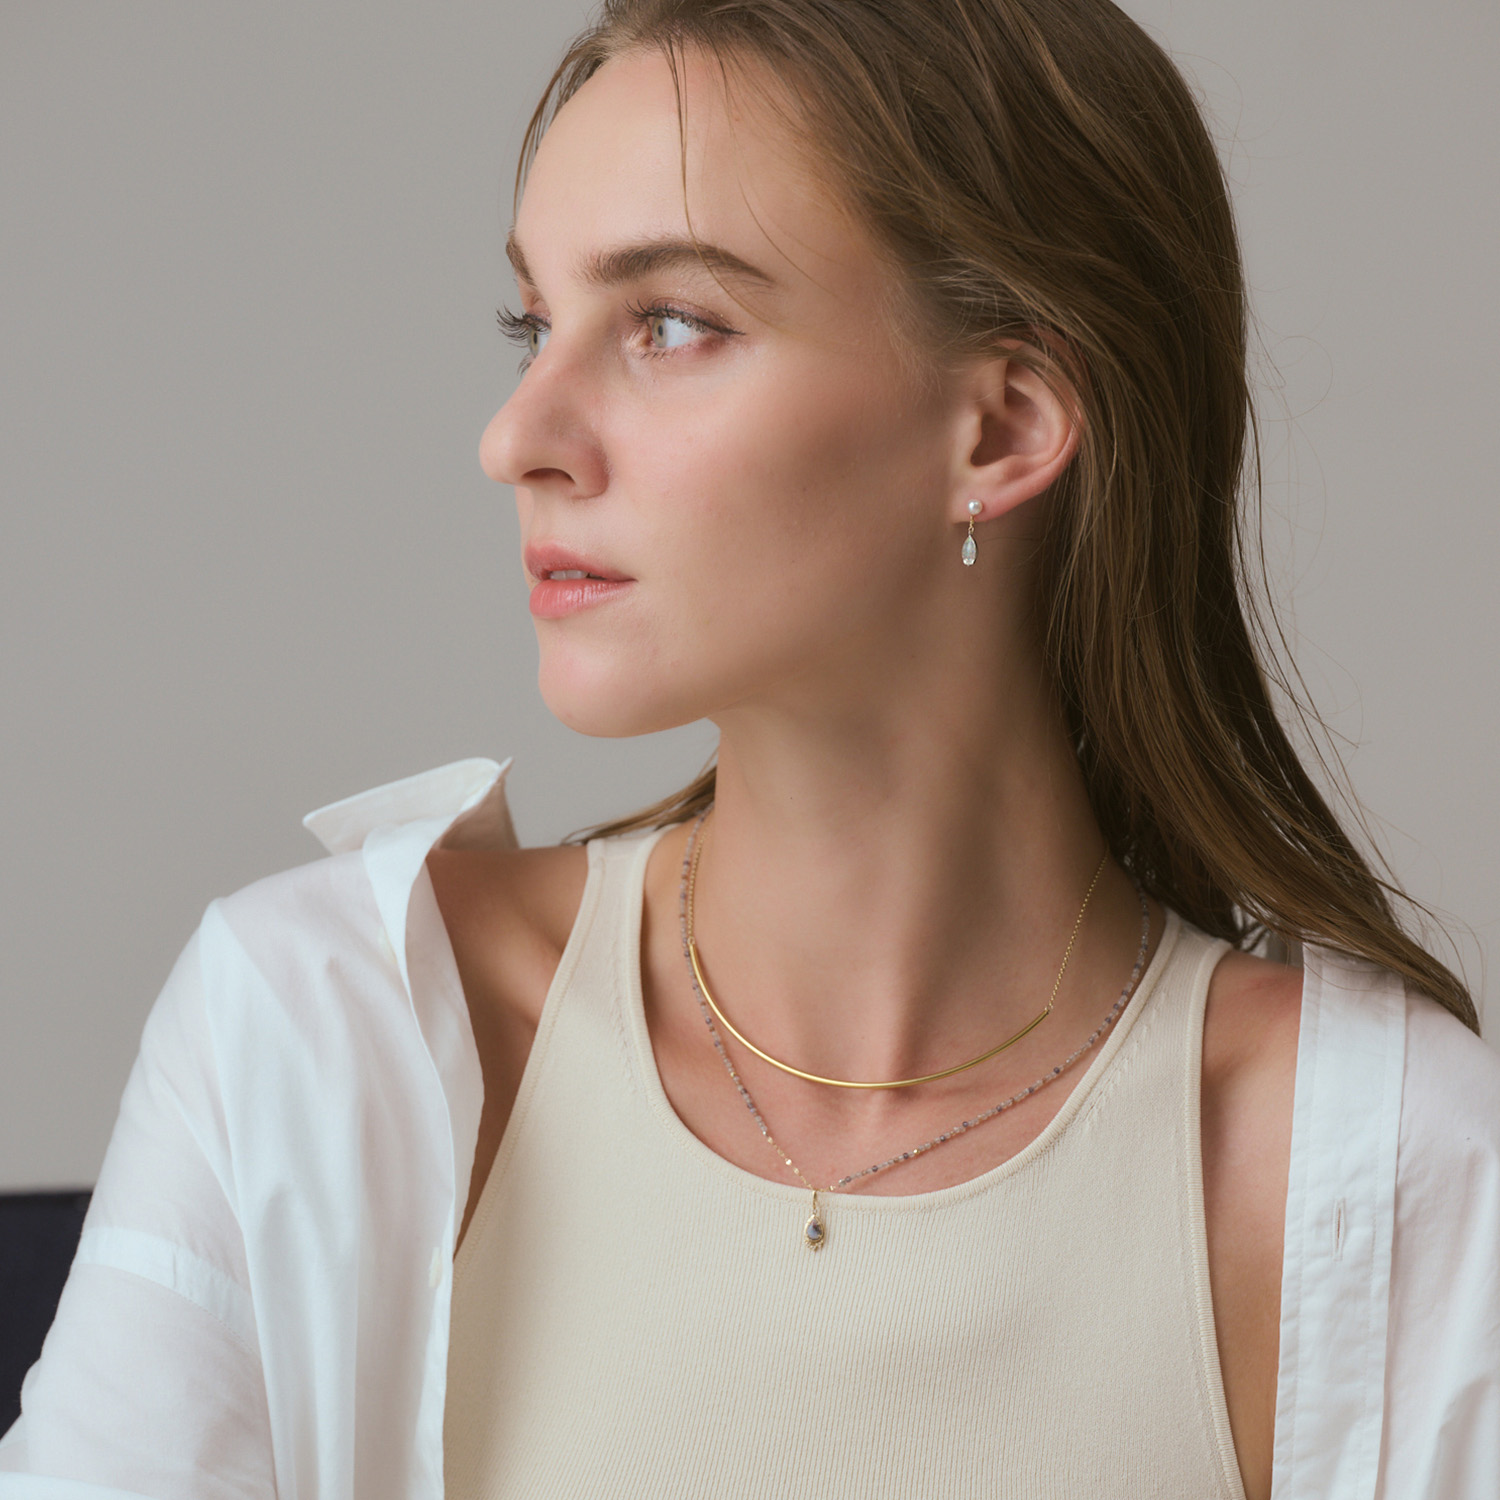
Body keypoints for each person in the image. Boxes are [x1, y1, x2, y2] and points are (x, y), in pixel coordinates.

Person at [2, 0, 1495, 1496]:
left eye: (670, 324)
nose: (517, 436)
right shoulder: (327, 1035)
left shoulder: (1378, 1177)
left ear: (999, 429)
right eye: (533, 324)